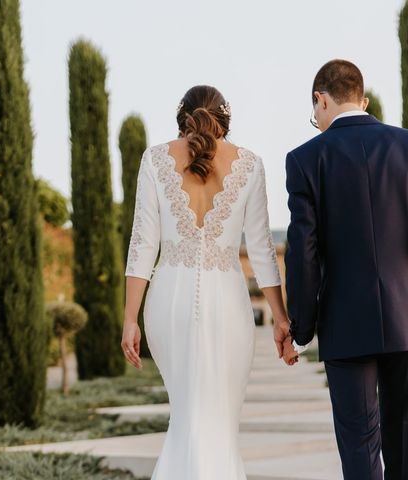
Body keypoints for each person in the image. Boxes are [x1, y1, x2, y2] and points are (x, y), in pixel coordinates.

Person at [277, 59, 408, 480]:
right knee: (405, 442)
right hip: (407, 317)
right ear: (364, 100)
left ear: (321, 99)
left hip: (345, 322)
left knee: (359, 445)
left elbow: (302, 252)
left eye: (313, 111)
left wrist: (301, 329)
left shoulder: (304, 159)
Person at [120, 85, 298, 480]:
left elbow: (142, 244)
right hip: (228, 306)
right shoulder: (250, 165)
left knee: (185, 418)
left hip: (167, 302)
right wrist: (281, 318)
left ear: (182, 118)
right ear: (226, 120)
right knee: (216, 423)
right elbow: (262, 251)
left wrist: (130, 318)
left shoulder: (154, 159)